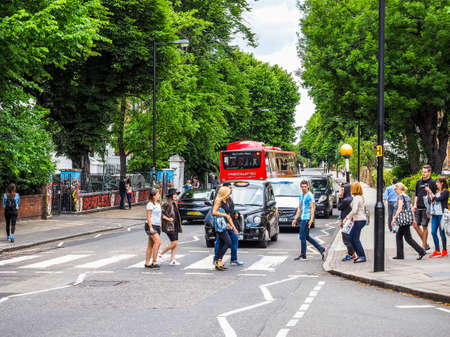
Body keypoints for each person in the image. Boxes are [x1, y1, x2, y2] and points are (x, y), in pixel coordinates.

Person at [292, 180, 325, 261]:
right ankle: (320, 248)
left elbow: (312, 208)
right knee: (306, 236)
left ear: (307, 187)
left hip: (307, 218)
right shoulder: (301, 196)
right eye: (302, 187)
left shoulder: (310, 196)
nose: (303, 188)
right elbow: (299, 208)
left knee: (302, 236)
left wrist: (311, 220)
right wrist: (295, 219)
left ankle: (303, 255)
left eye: (305, 187)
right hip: (303, 218)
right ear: (300, 187)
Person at [391, 183, 426, 260]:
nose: (395, 191)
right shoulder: (407, 197)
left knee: (408, 238)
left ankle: (421, 251)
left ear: (399, 189)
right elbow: (411, 209)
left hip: (403, 220)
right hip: (407, 219)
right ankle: (400, 255)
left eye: (395, 189)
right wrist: (413, 219)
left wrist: (394, 218)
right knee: (399, 236)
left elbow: (399, 208)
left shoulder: (400, 197)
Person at [213, 182, 244, 266]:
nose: (231, 189)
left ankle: (233, 259)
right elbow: (215, 213)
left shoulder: (228, 199)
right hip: (223, 225)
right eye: (229, 188)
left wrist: (234, 225)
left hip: (230, 224)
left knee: (233, 239)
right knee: (221, 242)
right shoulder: (219, 200)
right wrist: (226, 220)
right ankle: (217, 260)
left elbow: (230, 211)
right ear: (224, 189)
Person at [412, 164, 437, 251]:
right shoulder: (418, 182)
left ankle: (423, 246)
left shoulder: (432, 183)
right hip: (418, 207)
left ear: (429, 172)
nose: (423, 173)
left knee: (425, 226)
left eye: (425, 172)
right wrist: (414, 204)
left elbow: (435, 197)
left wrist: (429, 191)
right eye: (422, 172)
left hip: (426, 208)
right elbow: (416, 195)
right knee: (415, 225)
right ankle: (425, 243)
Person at [343, 182, 367, 263]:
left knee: (354, 238)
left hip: (359, 220)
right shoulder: (360, 197)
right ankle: (360, 255)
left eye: (352, 187)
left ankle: (362, 256)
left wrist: (346, 218)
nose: (351, 189)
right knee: (351, 237)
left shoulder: (357, 198)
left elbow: (354, 210)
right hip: (359, 220)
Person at [426, 177, 449, 257]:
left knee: (442, 233)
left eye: (437, 182)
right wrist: (429, 194)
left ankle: (444, 250)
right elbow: (433, 201)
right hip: (434, 214)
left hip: (441, 215)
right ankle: (437, 250)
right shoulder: (437, 192)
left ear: (442, 183)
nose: (436, 183)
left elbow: (438, 199)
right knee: (433, 232)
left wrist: (430, 192)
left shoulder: (446, 192)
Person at [160, 188, 183, 265]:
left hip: (175, 225)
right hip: (169, 226)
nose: (176, 195)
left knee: (175, 243)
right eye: (175, 194)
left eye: (176, 194)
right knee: (174, 243)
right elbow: (160, 214)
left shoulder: (174, 203)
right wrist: (168, 219)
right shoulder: (166, 204)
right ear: (171, 196)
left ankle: (172, 260)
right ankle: (160, 254)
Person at [337, 184, 356, 261]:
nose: (342, 191)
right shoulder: (350, 198)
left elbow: (339, 207)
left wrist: (340, 198)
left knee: (346, 239)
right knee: (349, 237)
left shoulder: (346, 200)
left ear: (347, 190)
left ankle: (352, 254)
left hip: (346, 221)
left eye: (343, 189)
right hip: (349, 220)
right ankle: (350, 253)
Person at [145, 189, 162, 269]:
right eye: (158, 194)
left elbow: (159, 215)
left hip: (157, 226)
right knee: (158, 242)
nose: (159, 195)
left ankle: (147, 263)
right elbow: (148, 217)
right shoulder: (150, 204)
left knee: (150, 245)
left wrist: (160, 224)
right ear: (154, 196)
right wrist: (151, 227)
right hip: (150, 226)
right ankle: (154, 262)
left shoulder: (158, 204)